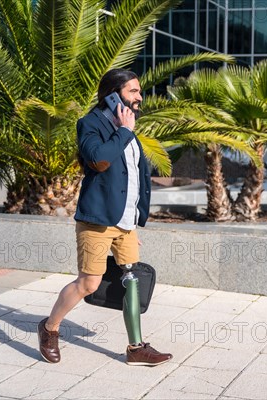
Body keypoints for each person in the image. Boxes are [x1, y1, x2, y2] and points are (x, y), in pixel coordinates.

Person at [37, 69, 172, 366]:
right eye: (133, 91)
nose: (139, 97)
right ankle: (49, 329)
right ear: (112, 94)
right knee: (89, 283)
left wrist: (135, 219)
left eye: (139, 91)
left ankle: (136, 348)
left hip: (125, 222)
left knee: (132, 280)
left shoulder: (129, 125)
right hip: (97, 220)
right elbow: (98, 161)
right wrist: (124, 131)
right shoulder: (90, 124)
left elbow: (134, 177)